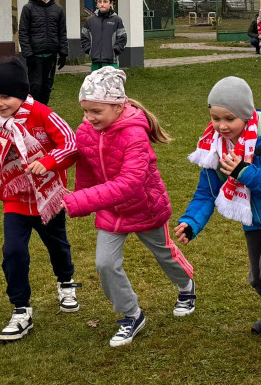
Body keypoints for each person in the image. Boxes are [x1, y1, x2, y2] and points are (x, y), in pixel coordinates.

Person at [175, 76, 261, 361]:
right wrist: (192, 222)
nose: (222, 126)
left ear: (247, 116)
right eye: (215, 118)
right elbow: (207, 191)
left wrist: (244, 172)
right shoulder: (216, 145)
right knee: (257, 277)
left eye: (229, 119)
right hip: (252, 211)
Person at [64, 67, 195, 348]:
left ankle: (186, 286)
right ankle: (131, 314)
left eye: (96, 111)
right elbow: (86, 167)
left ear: (118, 105)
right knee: (105, 263)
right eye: (85, 110)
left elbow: (130, 183)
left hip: (144, 206)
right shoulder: (86, 129)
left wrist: (80, 201)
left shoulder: (135, 133)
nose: (89, 117)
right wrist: (82, 198)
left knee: (164, 253)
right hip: (110, 208)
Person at [0, 56, 79, 342]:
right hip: (15, 198)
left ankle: (66, 281)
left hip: (48, 196)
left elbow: (70, 144)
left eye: (5, 96)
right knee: (13, 252)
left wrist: (49, 161)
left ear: (21, 93)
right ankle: (21, 309)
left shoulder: (42, 114)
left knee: (57, 245)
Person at [18, 0, 68, 105]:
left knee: (47, 86)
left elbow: (62, 32)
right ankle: (33, 111)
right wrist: (28, 54)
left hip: (51, 54)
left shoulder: (58, 9)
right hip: (35, 55)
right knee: (35, 86)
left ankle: (43, 112)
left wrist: (63, 52)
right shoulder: (28, 8)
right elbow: (23, 32)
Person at [80, 0, 126, 70]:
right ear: (97, 4)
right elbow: (84, 37)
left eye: (105, 1)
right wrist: (89, 50)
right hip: (95, 63)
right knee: (96, 82)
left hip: (111, 63)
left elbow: (122, 38)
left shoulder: (117, 20)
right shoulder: (90, 21)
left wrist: (115, 50)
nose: (102, 4)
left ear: (111, 3)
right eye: (99, 1)